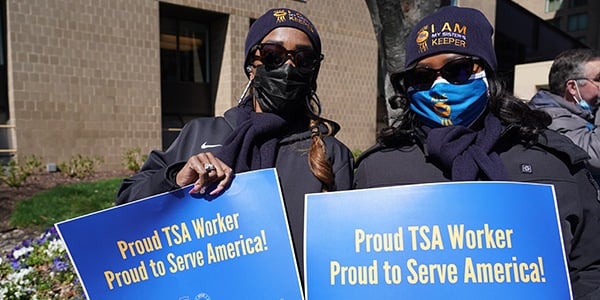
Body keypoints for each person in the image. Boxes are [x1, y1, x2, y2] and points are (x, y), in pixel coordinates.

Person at [354, 6, 600, 299]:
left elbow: (588, 269)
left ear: (487, 72)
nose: (439, 85)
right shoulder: (378, 169)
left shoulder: (552, 160)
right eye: (422, 76)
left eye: (456, 69)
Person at [116, 8, 354, 278]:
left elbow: (340, 258)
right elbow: (126, 202)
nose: (289, 68)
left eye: (304, 59)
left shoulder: (332, 154)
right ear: (251, 66)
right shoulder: (199, 133)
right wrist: (175, 179)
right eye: (272, 55)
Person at [528, 49, 600, 182]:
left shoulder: (587, 115)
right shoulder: (549, 118)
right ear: (573, 87)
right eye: (598, 79)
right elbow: (595, 158)